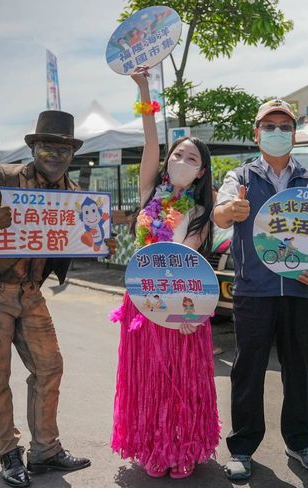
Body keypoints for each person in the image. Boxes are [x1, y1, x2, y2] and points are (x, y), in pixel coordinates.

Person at [0, 110, 97, 487]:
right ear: (34, 148)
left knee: (50, 367)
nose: (55, 155)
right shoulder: (4, 177)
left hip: (30, 291)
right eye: (48, 146)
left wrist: (100, 241)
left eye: (63, 149)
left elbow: (76, 239)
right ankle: (8, 453)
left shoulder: (73, 195)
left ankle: (45, 450)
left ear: (71, 154)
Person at [109, 66, 219, 479]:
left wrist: (190, 314)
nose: (180, 160)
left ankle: (184, 445)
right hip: (142, 300)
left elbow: (189, 264)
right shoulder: (148, 194)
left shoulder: (199, 213)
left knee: (181, 377)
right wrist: (144, 90)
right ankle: (153, 446)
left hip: (182, 303)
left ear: (202, 172)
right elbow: (150, 141)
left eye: (191, 158)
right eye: (177, 154)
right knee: (149, 376)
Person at [212, 99, 308, 481]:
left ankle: (301, 440)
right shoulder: (240, 178)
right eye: (269, 126)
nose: (277, 132)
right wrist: (231, 211)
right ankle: (242, 447)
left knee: (298, 367)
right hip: (253, 290)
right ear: (256, 133)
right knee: (248, 369)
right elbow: (220, 212)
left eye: (284, 126)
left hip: (300, 290)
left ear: (294, 134)